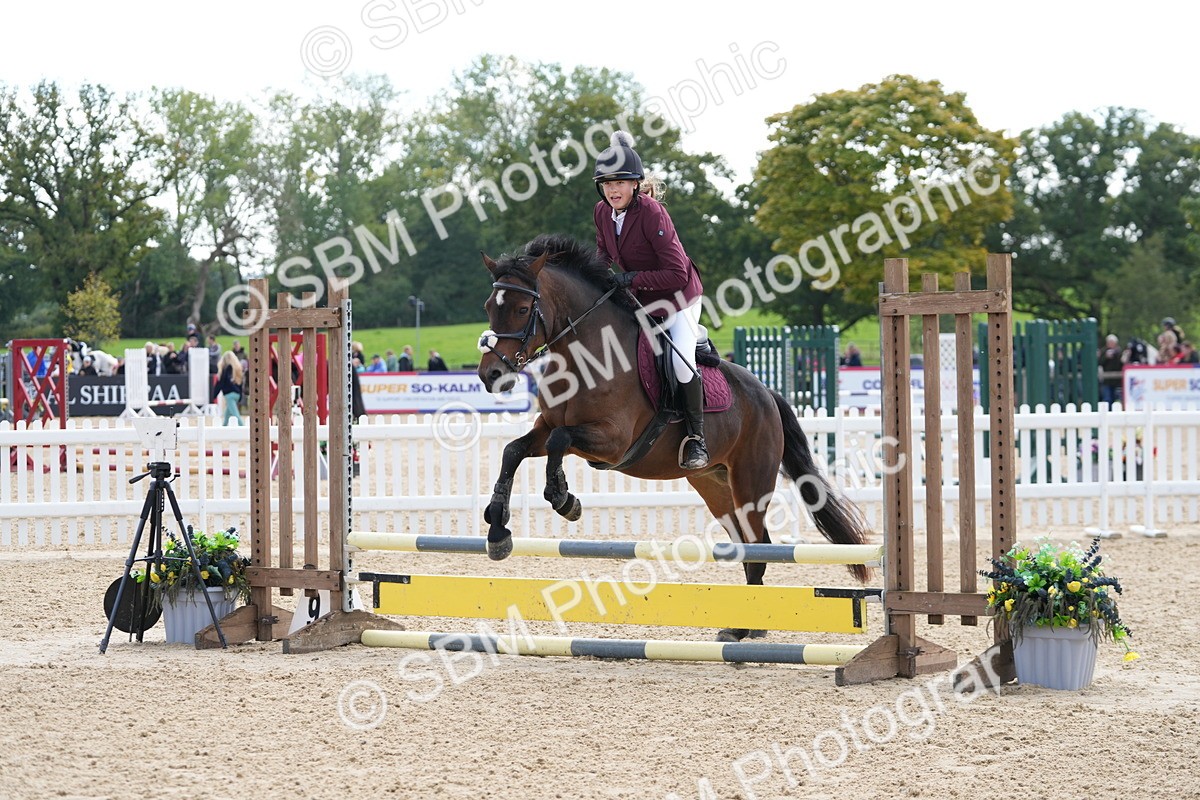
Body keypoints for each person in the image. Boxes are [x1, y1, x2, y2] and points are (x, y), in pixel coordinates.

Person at [593, 130, 708, 469]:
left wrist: (629, 278)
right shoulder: (602, 212)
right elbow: (602, 255)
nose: (613, 190)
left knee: (678, 362)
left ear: (634, 184)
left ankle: (696, 439)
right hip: (641, 300)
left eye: (620, 183)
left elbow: (676, 273)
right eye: (607, 184)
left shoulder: (653, 213)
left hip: (679, 299)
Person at [211, 351, 244, 426]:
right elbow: (241, 384)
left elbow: (220, 384)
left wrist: (214, 396)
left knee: (236, 415)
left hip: (229, 395)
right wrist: (240, 396)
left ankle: (244, 429)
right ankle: (223, 429)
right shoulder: (236, 369)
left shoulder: (225, 369)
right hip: (237, 394)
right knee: (227, 415)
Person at [1098, 334, 1124, 405]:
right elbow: (1099, 362)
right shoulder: (1103, 351)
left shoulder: (1119, 351)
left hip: (1117, 380)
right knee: (1107, 399)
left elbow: (1121, 364)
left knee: (1118, 399)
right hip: (1107, 380)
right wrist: (1106, 357)